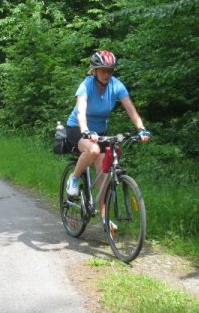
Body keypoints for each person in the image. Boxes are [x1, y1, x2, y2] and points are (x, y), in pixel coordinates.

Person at [64, 50, 150, 205]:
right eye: (103, 70)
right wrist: (85, 130)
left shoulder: (116, 85)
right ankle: (74, 178)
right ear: (94, 70)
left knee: (104, 176)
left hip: (100, 132)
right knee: (93, 150)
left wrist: (141, 129)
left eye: (110, 71)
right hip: (78, 128)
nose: (107, 74)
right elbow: (81, 112)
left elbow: (131, 109)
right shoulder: (86, 85)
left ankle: (104, 217)